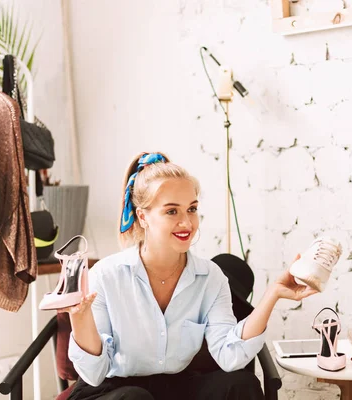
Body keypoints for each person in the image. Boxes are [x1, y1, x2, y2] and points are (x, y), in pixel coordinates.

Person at [63, 152, 318, 400]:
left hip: (176, 386)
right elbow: (94, 373)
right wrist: (79, 316)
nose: (187, 222)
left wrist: (272, 294)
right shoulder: (107, 276)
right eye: (172, 211)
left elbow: (230, 356)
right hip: (114, 390)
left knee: (241, 384)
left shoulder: (210, 277)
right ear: (143, 217)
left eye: (192, 209)